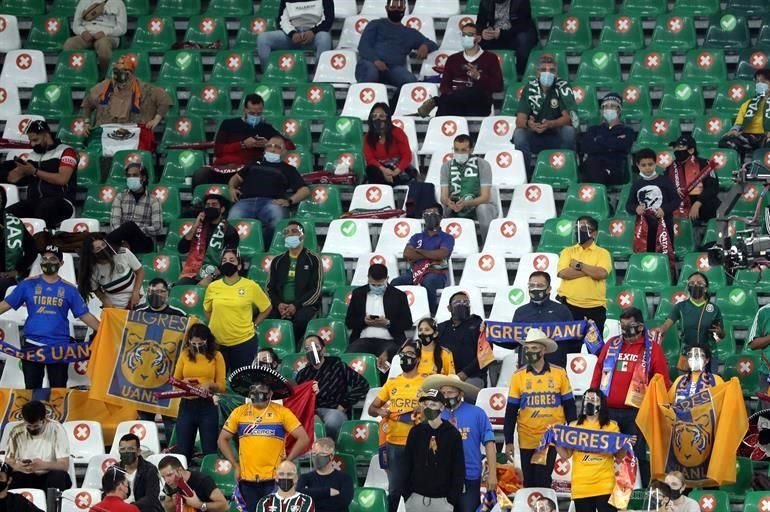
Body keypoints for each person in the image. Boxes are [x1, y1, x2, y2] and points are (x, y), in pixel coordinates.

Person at [590, 307, 671, 486]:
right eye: (623, 325)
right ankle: (607, 492)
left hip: (637, 413)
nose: (625, 329)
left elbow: (662, 381)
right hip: (608, 410)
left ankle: (637, 496)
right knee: (607, 453)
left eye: (630, 326)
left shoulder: (652, 349)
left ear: (641, 327)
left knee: (636, 455)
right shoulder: (611, 344)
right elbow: (598, 372)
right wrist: (593, 399)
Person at [0, 245, 100, 388]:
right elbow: (4, 305)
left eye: (53, 259)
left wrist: (104, 330)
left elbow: (85, 315)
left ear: (61, 263)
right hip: (32, 346)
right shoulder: (27, 285)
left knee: (57, 392)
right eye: (44, 258)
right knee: (32, 391)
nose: (48, 262)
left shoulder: (69, 289)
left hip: (59, 348)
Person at [218, 365, 310, 511]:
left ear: (270, 393)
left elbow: (303, 438)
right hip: (246, 479)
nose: (256, 392)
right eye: (253, 389)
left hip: (273, 479)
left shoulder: (282, 412)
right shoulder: (239, 412)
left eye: (261, 389)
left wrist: (287, 461)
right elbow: (222, 439)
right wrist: (235, 465)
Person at [503, 328, 577, 489]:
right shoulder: (518, 376)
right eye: (527, 348)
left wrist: (573, 432)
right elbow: (510, 410)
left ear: (544, 350)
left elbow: (569, 405)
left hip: (551, 437)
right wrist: (508, 440)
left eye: (534, 348)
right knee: (529, 482)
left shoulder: (559, 373)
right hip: (527, 437)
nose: (530, 352)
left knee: (542, 479)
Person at [424, 375, 496, 512]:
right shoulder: (434, 416)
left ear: (460, 393)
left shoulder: (477, 413)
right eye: (443, 393)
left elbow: (490, 443)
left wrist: (492, 474)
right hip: (442, 477)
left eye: (450, 392)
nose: (446, 396)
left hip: (469, 476)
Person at [368, 340, 425, 512]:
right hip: (393, 443)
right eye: (403, 355)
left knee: (417, 487)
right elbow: (371, 409)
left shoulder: (426, 382)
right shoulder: (392, 383)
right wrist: (380, 412)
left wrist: (423, 407)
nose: (405, 358)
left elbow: (435, 409)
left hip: (417, 442)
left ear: (418, 359)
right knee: (395, 490)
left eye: (410, 354)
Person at [553, 388, 628, 512]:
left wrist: (625, 444)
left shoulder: (611, 426)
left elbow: (619, 456)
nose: (589, 402)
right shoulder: (574, 427)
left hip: (605, 485)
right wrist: (556, 442)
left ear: (601, 404)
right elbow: (566, 455)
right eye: (587, 399)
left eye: (593, 399)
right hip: (581, 486)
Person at [228, 135, 310, 245]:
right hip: (245, 201)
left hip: (271, 203)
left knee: (277, 222)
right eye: (269, 146)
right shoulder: (254, 163)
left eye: (277, 147)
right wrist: (231, 188)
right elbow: (236, 178)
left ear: (284, 152)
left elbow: (305, 190)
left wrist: (289, 201)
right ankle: (232, 251)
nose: (272, 149)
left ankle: (265, 250)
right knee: (232, 220)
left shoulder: (288, 169)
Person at [193, 94, 283, 188]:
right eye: (252, 113)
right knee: (200, 174)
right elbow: (218, 150)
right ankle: (197, 201)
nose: (255, 116)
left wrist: (269, 144)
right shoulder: (228, 124)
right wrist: (242, 144)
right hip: (223, 167)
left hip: (246, 170)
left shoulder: (266, 129)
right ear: (245, 110)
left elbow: (289, 145)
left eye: (259, 114)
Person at [203, 249, 272, 372]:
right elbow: (207, 310)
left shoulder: (251, 286)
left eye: (231, 260)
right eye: (224, 260)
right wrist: (217, 326)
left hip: (243, 343)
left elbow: (266, 308)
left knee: (242, 382)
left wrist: (254, 324)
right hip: (218, 343)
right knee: (217, 382)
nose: (227, 263)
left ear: (239, 266)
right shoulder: (213, 287)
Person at [0, 120, 78, 229]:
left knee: (44, 209)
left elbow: (62, 179)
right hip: (35, 202)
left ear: (46, 135)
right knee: (5, 216)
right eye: (30, 141)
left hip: (62, 202)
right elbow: (14, 178)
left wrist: (35, 171)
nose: (32, 144)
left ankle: (47, 242)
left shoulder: (66, 151)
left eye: (35, 140)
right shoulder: (32, 155)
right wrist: (15, 172)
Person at [417, 23, 503, 117]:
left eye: (469, 35)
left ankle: (437, 101)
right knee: (446, 105)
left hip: (478, 105)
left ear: (478, 38)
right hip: (454, 104)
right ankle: (438, 112)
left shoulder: (490, 58)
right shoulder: (453, 59)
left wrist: (478, 76)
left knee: (473, 91)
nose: (466, 37)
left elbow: (498, 86)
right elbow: (444, 87)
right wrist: (453, 95)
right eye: (463, 35)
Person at [295, 335, 370, 440]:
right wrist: (313, 413)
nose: (312, 351)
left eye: (315, 346)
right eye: (308, 348)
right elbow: (300, 399)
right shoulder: (302, 374)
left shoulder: (337, 365)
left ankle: (330, 449)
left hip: (334, 410)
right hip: (312, 411)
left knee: (332, 422)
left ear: (323, 349)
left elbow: (362, 384)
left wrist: (344, 403)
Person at [512, 54, 577, 171]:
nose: (547, 73)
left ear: (556, 73)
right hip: (535, 135)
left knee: (569, 131)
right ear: (537, 73)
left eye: (551, 70)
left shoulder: (562, 87)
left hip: (556, 136)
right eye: (543, 70)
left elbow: (568, 118)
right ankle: (524, 176)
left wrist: (551, 124)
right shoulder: (530, 87)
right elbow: (520, 120)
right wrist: (530, 124)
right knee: (519, 134)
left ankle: (566, 171)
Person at [404, 388, 465, 512]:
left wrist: (451, 500)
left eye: (433, 404)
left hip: (443, 500)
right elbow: (406, 463)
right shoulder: (416, 432)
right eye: (425, 404)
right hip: (416, 497)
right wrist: (407, 495)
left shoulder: (452, 434)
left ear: (442, 407)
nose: (428, 408)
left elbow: (458, 468)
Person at [346, 263, 413, 374]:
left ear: (387, 279)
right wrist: (364, 322)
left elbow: (407, 323)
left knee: (389, 359)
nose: (376, 287)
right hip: (363, 339)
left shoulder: (398, 296)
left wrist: (387, 323)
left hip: (390, 340)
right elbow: (349, 322)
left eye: (380, 284)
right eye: (373, 284)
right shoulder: (358, 294)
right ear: (368, 279)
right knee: (351, 355)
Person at [172, 324, 225, 463]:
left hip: (207, 406)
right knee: (183, 449)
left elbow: (222, 386)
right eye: (193, 343)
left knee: (209, 449)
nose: (196, 346)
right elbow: (175, 382)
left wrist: (209, 385)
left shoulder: (216, 356)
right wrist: (185, 383)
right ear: (188, 341)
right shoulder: (184, 355)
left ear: (207, 340)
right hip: (187, 406)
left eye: (200, 343)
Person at [356, 0, 438, 89]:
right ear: (387, 8)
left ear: (404, 9)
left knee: (410, 81)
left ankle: (394, 102)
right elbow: (363, 46)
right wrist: (376, 61)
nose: (396, 10)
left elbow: (433, 44)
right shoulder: (375, 24)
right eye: (393, 7)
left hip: (392, 69)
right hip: (370, 64)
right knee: (371, 73)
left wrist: (425, 46)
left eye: (399, 8)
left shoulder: (410, 33)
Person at [390, 204, 454, 316]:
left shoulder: (447, 237)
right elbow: (407, 254)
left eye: (433, 214)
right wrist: (431, 254)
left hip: (437, 273)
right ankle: (398, 313)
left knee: (428, 282)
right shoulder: (416, 236)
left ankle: (431, 314)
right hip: (415, 272)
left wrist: (419, 251)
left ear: (441, 217)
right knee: (395, 283)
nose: (429, 217)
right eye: (427, 214)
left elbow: (441, 254)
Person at [654, 272, 724, 371]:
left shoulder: (714, 308)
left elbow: (722, 335)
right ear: (688, 287)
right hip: (686, 353)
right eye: (692, 283)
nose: (695, 285)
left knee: (709, 385)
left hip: (709, 355)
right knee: (685, 385)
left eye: (699, 283)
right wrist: (662, 329)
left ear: (705, 288)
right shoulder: (680, 306)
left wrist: (720, 333)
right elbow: (668, 322)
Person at [81, 55, 171, 131]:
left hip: (133, 132)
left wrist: (156, 120)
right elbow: (87, 103)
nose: (122, 83)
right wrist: (86, 122)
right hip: (106, 132)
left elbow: (164, 99)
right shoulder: (104, 86)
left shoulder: (145, 89)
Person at [266, 221, 322, 343]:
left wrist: (295, 306)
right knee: (267, 318)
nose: (290, 234)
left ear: (303, 236)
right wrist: (279, 304)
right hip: (280, 305)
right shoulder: (277, 260)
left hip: (303, 305)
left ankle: (289, 348)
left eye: (294, 231)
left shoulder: (313, 259)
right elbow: (270, 288)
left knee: (300, 320)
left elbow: (316, 289)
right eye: (287, 232)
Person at [556, 216, 612, 333]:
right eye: (577, 228)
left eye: (583, 228)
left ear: (594, 233)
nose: (579, 231)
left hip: (596, 308)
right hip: (569, 306)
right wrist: (590, 271)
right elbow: (563, 273)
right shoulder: (567, 251)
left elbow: (601, 273)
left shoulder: (603, 253)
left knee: (595, 348)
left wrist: (579, 265)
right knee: (571, 347)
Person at [439, 135, 497, 241]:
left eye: (463, 150)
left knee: (482, 208)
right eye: (456, 150)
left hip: (481, 207)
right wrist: (449, 202)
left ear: (471, 149)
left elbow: (485, 197)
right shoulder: (446, 166)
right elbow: (443, 197)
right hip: (456, 206)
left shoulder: (483, 165)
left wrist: (465, 203)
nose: (459, 153)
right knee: (442, 209)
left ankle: (487, 244)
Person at [512, 271, 575, 368]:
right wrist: (488, 331)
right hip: (526, 370)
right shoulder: (520, 312)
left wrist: (588, 329)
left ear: (549, 289)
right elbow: (511, 341)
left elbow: (574, 340)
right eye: (532, 285)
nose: (535, 288)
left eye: (540, 285)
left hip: (556, 369)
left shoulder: (562, 311)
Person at [6, 400, 70, 491]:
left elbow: (64, 465)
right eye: (29, 426)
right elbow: (9, 460)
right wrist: (18, 467)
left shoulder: (57, 429)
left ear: (44, 419)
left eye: (36, 426)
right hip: (26, 475)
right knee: (13, 477)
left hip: (48, 474)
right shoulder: (16, 431)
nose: (32, 429)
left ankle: (52, 505)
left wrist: (43, 465)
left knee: (58, 476)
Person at [625, 148, 679, 254]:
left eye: (650, 164)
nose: (647, 168)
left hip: (665, 226)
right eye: (643, 165)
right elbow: (629, 205)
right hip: (645, 228)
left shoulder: (665, 180)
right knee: (647, 254)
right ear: (637, 165)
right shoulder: (637, 185)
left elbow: (676, 200)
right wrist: (636, 208)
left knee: (665, 255)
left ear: (655, 163)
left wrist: (665, 209)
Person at [177, 194, 239, 286]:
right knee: (180, 287)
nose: (210, 207)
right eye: (208, 205)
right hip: (194, 273)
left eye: (214, 205)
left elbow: (229, 262)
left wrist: (209, 278)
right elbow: (182, 249)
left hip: (218, 275)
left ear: (222, 209)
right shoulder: (199, 227)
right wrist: (195, 226)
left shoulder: (229, 231)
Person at [256, 0, 334, 72]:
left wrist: (313, 32)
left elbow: (328, 19)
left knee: (325, 38)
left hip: (314, 36)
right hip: (292, 37)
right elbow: (282, 20)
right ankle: (269, 74)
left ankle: (318, 75)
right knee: (263, 39)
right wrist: (292, 33)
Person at [580, 93, 636, 186]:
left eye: (612, 106)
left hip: (615, 168)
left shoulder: (627, 131)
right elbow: (586, 147)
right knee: (592, 167)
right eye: (605, 106)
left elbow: (624, 146)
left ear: (619, 109)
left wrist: (599, 141)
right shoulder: (593, 129)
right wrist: (612, 143)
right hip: (593, 166)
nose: (608, 109)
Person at [77, 233, 144, 309]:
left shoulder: (123, 253)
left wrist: (136, 292)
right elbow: (95, 289)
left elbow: (140, 271)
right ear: (92, 254)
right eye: (98, 248)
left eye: (103, 245)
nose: (103, 249)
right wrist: (103, 299)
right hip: (115, 307)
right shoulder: (92, 269)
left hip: (136, 301)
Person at [107, 162, 162, 254]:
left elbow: (158, 228)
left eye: (135, 175)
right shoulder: (120, 197)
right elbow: (114, 225)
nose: (131, 178)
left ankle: (104, 242)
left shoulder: (153, 200)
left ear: (143, 178)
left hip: (144, 241)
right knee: (128, 227)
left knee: (130, 226)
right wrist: (124, 239)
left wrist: (138, 229)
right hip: (123, 241)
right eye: (129, 176)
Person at [437, 292, 487, 389]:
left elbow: (485, 355)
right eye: (457, 302)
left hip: (472, 376)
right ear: (449, 308)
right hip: (445, 375)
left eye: (465, 302)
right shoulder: (441, 327)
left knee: (461, 392)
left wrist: (464, 373)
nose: (462, 304)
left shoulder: (479, 326)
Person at [666, 134, 720, 222]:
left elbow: (712, 187)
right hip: (679, 201)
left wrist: (698, 203)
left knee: (711, 203)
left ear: (691, 150)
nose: (677, 150)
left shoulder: (705, 164)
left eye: (680, 147)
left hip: (701, 201)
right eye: (676, 147)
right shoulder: (671, 168)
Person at [476, 0, 537, 77]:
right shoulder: (485, 2)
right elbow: (479, 23)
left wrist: (502, 34)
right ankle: (482, 73)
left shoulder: (521, 2)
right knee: (477, 39)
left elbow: (523, 26)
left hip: (515, 34)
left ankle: (521, 73)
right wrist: (483, 32)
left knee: (523, 40)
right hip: (496, 33)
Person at [719, 68, 770, 159]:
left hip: (766, 136)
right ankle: (741, 168)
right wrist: (734, 131)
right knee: (725, 142)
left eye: (763, 82)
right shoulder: (748, 104)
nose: (759, 84)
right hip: (748, 136)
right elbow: (739, 124)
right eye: (757, 82)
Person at [64, 0, 127, 73]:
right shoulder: (83, 2)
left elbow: (122, 28)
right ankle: (75, 74)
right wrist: (83, 32)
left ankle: (106, 75)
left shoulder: (118, 3)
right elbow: (76, 25)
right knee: (69, 43)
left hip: (108, 36)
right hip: (87, 33)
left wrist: (105, 33)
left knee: (103, 44)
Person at [364, 103, 417, 185]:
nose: (378, 119)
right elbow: (370, 159)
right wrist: (384, 170)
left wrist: (395, 172)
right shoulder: (368, 137)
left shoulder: (397, 132)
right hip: (380, 169)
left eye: (381, 116)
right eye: (374, 116)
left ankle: (388, 182)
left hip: (398, 169)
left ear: (387, 118)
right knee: (370, 170)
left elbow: (407, 156)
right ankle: (388, 183)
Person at [296, 438, 354, 512]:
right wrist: (328, 491)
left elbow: (343, 503)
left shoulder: (345, 478)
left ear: (331, 456)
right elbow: (299, 496)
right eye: (314, 454)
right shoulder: (305, 478)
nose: (316, 457)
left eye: (321, 454)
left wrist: (313, 496)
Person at [0, 186, 37, 299]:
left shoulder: (14, 224)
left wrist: (18, 270)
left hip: (6, 278)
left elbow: (32, 249)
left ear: (3, 201)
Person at [158, 455, 228, 512]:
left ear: (179, 470)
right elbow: (168, 507)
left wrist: (199, 505)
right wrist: (172, 504)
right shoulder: (171, 483)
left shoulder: (203, 481)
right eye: (163, 477)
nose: (167, 480)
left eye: (169, 475)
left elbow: (224, 506)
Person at [115, 434, 162, 512]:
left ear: (138, 451)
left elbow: (151, 498)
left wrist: (129, 507)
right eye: (123, 449)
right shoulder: (114, 470)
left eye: (130, 449)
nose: (126, 452)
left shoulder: (150, 470)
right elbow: (106, 495)